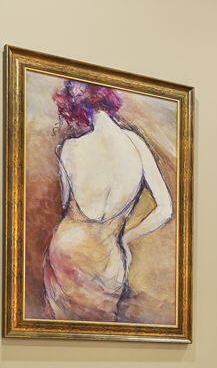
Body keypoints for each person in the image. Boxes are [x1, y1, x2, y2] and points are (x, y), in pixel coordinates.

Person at [40, 79, 173, 322]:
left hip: (68, 249)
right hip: (110, 257)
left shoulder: (70, 148)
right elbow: (164, 209)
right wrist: (124, 237)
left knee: (59, 333)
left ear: (74, 108)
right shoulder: (137, 144)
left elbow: (67, 203)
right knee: (101, 331)